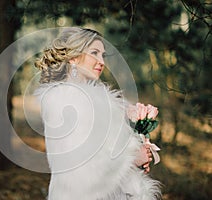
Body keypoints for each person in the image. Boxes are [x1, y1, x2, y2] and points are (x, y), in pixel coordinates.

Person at [34, 27, 161, 200]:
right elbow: (81, 171)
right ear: (73, 57)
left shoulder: (96, 100)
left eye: (103, 55)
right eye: (94, 52)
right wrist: (132, 159)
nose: (101, 61)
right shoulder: (66, 99)